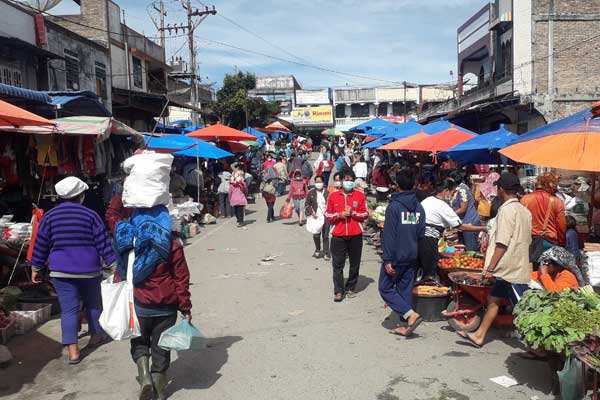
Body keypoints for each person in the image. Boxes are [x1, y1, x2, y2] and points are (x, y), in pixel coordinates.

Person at [108, 197, 192, 400]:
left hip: (137, 304)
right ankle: (159, 388)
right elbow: (181, 278)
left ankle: (144, 376)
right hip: (166, 306)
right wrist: (185, 307)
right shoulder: (171, 244)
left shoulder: (126, 239)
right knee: (162, 346)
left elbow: (112, 216)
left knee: (139, 342)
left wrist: (125, 192)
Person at [31, 176, 115, 365]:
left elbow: (40, 244)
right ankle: (95, 336)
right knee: (94, 304)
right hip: (90, 270)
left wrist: (36, 267)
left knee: (69, 310)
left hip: (61, 271)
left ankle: (73, 351)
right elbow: (102, 242)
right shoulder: (90, 215)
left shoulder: (49, 217)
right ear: (81, 195)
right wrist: (113, 263)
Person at [458, 173, 532, 348]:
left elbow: (502, 243)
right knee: (493, 299)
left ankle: (542, 348)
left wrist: (490, 268)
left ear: (501, 190)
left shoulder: (506, 210)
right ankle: (479, 335)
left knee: (524, 309)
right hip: (514, 264)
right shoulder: (524, 210)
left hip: (510, 268)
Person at [379, 169, 426, 337]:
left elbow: (390, 235)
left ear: (397, 186)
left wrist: (387, 259)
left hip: (397, 256)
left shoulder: (394, 207)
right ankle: (405, 325)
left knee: (385, 288)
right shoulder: (419, 207)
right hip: (412, 255)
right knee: (404, 289)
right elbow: (421, 233)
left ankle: (410, 314)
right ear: (413, 185)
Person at [418, 180, 487, 281]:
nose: (452, 195)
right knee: (430, 271)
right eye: (452, 193)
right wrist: (483, 228)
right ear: (446, 191)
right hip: (429, 238)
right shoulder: (442, 205)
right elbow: (461, 227)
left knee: (423, 268)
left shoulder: (427, 200)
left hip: (419, 237)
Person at [324, 170, 368, 302]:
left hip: (355, 234)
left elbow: (365, 214)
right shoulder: (333, 196)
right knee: (337, 264)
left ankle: (350, 288)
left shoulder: (360, 196)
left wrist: (353, 213)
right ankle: (338, 291)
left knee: (355, 263)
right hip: (338, 235)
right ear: (341, 181)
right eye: (346, 179)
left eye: (351, 179)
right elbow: (328, 214)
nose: (349, 182)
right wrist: (339, 215)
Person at [521, 172, 567, 262]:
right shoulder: (557, 202)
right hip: (548, 242)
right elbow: (561, 226)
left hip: (527, 242)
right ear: (551, 186)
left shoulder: (525, 199)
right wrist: (561, 243)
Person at [449, 172, 481, 252]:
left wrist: (449, 215)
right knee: (462, 248)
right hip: (462, 223)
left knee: (471, 249)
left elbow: (463, 208)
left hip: (470, 222)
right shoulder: (456, 189)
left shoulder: (462, 189)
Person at [305, 175, 330, 260]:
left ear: (323, 182)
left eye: (320, 182)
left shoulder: (327, 192)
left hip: (326, 216)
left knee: (326, 235)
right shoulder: (311, 192)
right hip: (316, 216)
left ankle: (326, 252)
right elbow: (307, 204)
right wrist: (312, 212)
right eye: (317, 182)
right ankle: (318, 249)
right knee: (316, 234)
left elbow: (331, 204)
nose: (318, 183)